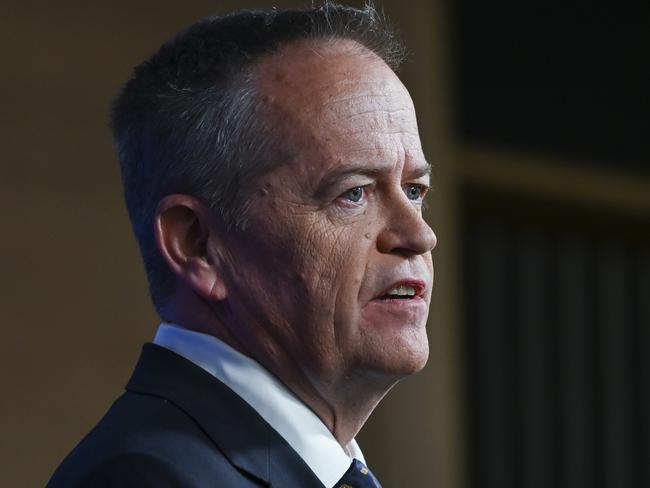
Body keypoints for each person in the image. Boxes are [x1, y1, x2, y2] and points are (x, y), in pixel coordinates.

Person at [48, 2, 436, 487]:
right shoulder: (148, 477)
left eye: (415, 191)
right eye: (353, 193)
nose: (419, 235)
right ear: (198, 244)